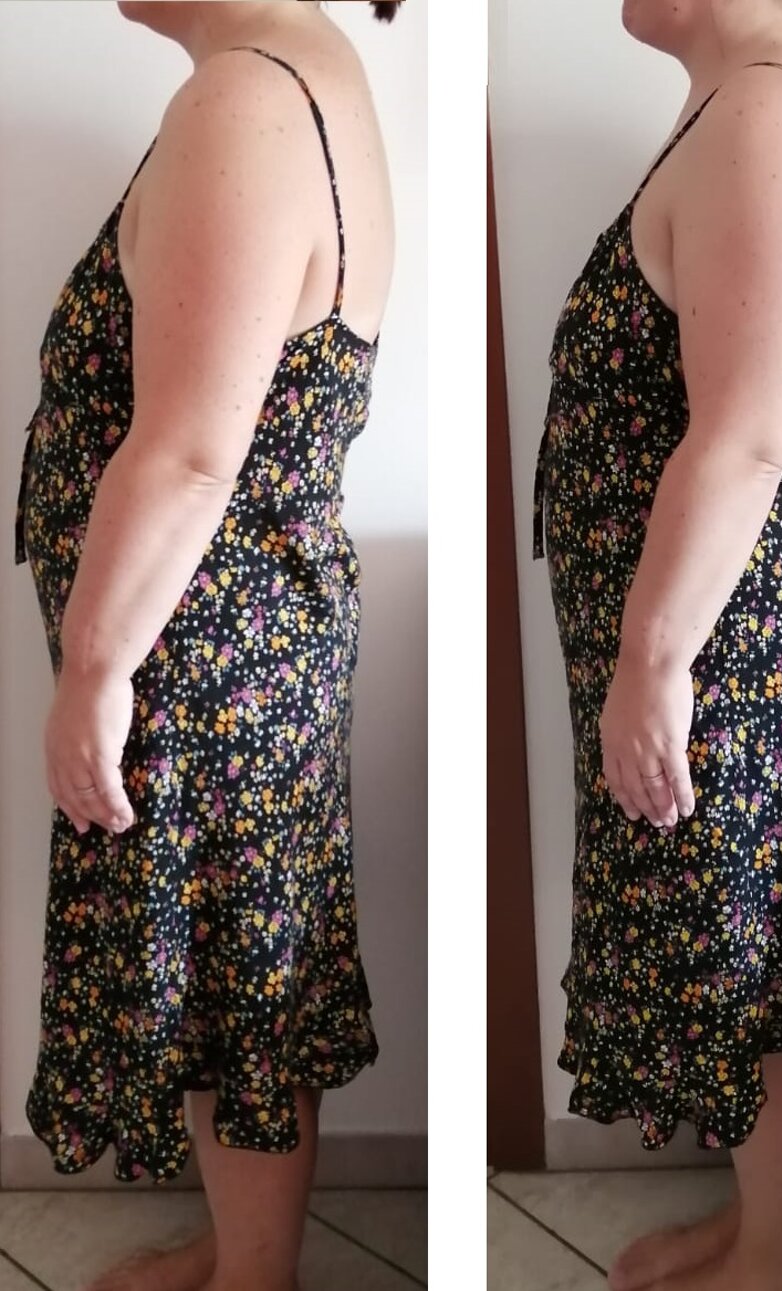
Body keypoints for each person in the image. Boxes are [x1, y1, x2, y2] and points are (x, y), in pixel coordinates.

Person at [532, 2, 782, 1289]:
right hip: (726, 633)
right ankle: (764, 1229)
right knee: (741, 957)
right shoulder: (754, 97)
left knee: (755, 960)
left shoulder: (765, 108)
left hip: (728, 650)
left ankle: (774, 1261)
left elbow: (748, 436)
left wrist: (652, 660)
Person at [14, 2, 401, 1288]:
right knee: (234, 974)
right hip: (236, 638)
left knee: (238, 984)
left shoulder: (247, 100)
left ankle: (253, 1274)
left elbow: (188, 452)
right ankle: (244, 1252)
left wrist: (95, 668)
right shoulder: (292, 74)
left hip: (199, 656)